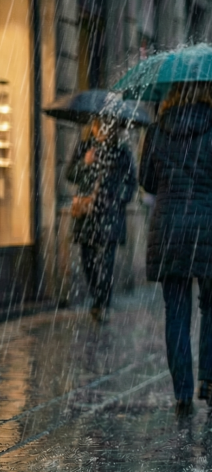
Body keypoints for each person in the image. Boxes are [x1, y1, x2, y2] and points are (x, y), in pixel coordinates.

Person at [140, 81, 212, 415]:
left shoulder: (157, 132)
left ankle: (182, 392)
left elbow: (147, 182)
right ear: (211, 94)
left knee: (176, 312)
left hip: (170, 230)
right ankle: (209, 382)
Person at [65, 115, 137, 323]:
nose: (101, 130)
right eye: (97, 126)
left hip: (110, 216)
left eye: (105, 126)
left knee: (106, 262)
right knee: (87, 260)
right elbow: (69, 174)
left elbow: (131, 183)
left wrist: (117, 197)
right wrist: (85, 163)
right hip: (87, 215)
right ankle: (98, 296)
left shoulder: (122, 152)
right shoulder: (85, 147)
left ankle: (101, 303)